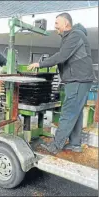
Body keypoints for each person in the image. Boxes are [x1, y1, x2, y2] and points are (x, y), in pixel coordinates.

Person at [28, 13, 94, 154]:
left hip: (78, 80)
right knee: (76, 113)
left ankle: (56, 146)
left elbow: (62, 56)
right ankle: (75, 144)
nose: (55, 26)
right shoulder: (72, 37)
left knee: (68, 112)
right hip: (80, 80)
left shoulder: (75, 35)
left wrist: (40, 64)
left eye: (57, 23)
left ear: (66, 24)